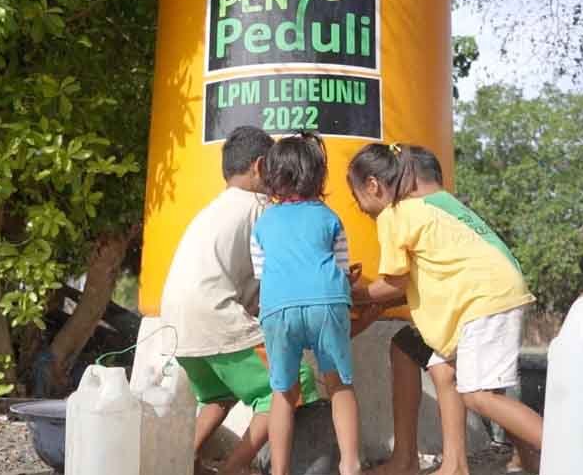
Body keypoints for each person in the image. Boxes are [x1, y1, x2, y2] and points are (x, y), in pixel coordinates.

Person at [347, 143, 543, 475]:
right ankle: (453, 466)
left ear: (372, 185)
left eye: (357, 198)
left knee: (480, 396)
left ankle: (570, 453)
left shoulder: (395, 215)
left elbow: (395, 283)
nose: (360, 209)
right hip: (487, 298)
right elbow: (423, 281)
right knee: (437, 362)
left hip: (481, 303)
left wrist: (351, 294)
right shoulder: (437, 207)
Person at [160, 126, 320, 475]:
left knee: (220, 393)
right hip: (215, 317)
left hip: (175, 326)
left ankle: (181, 462)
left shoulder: (212, 209)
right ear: (261, 166)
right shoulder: (259, 208)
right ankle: (234, 467)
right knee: (293, 381)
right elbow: (279, 274)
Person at [251, 132, 362, 475]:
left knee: (283, 392)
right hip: (327, 303)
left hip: (277, 309)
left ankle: (279, 471)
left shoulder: (262, 223)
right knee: (339, 384)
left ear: (272, 176)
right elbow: (342, 269)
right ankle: (350, 465)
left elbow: (262, 274)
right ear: (319, 175)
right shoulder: (330, 217)